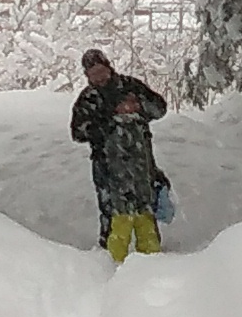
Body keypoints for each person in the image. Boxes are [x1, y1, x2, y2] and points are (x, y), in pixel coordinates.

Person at [69, 47, 170, 260]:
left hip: (141, 162)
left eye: (101, 70)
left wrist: (138, 107)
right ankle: (110, 260)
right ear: (87, 75)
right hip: (107, 164)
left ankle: (152, 258)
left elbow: (160, 108)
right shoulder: (88, 98)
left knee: (145, 209)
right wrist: (107, 121)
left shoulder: (130, 86)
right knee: (113, 212)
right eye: (93, 73)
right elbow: (78, 132)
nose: (99, 77)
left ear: (109, 67)